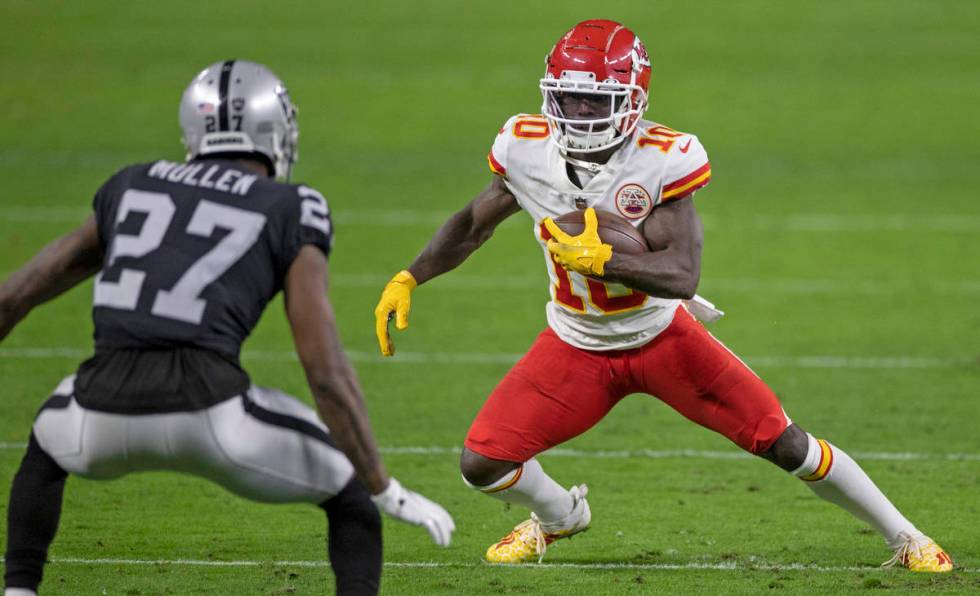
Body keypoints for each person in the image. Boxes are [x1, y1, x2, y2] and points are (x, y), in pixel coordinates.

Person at [373, 20, 952, 571]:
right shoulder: (525, 146)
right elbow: (473, 223)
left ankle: (907, 535)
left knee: (786, 443)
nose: (579, 111)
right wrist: (410, 276)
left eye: (596, 100)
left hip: (661, 337)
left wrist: (608, 260)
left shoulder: (663, 157)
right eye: (569, 97)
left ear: (632, 99)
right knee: (483, 462)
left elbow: (682, 276)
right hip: (575, 344)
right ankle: (559, 516)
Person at [1, 59, 454, 596]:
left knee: (45, 446)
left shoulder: (131, 184)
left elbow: (14, 296)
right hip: (210, 414)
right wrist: (384, 486)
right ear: (275, 130)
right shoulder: (291, 204)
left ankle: (19, 589)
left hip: (95, 416)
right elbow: (323, 366)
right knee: (351, 491)